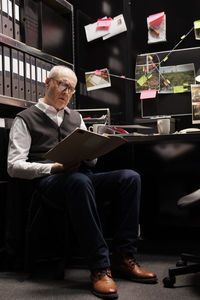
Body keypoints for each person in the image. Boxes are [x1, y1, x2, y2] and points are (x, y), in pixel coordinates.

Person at [7, 65, 157, 299]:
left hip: (81, 178)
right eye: (62, 85)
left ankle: (122, 256)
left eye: (71, 89)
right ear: (48, 83)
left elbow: (93, 162)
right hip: (48, 183)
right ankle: (99, 267)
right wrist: (53, 167)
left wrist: (93, 150)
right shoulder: (25, 119)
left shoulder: (75, 117)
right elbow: (14, 166)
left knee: (130, 178)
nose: (66, 92)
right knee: (78, 181)